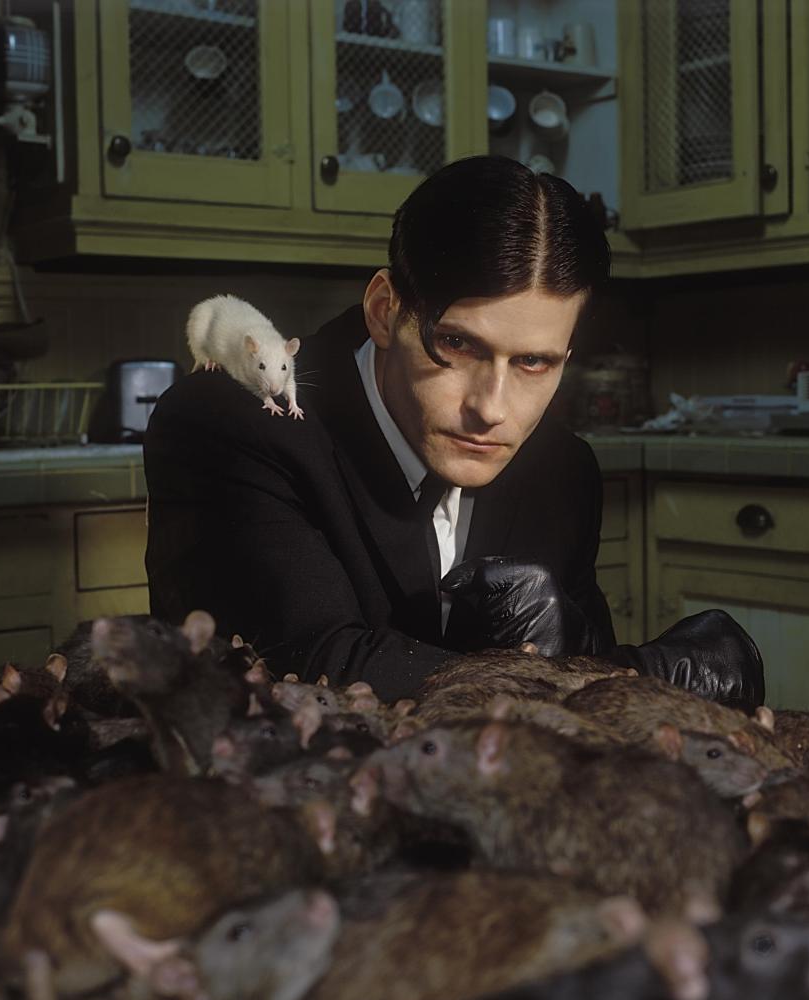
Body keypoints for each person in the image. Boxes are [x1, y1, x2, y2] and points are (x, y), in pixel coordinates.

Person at [143, 155, 763, 711]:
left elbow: (575, 697)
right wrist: (633, 679)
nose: (492, 409)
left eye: (534, 362)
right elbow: (318, 672)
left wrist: (581, 663)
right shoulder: (230, 423)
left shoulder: (563, 470)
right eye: (458, 344)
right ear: (385, 311)